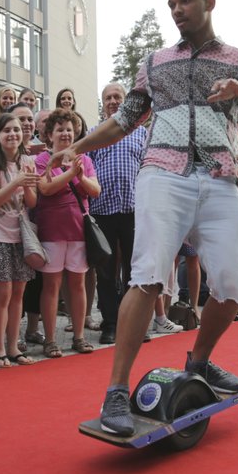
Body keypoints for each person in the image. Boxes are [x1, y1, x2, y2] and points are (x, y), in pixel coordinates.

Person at [47, 0, 238, 436]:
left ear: (210, 2)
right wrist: (78, 147)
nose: (177, 9)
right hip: (162, 175)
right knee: (148, 275)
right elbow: (123, 121)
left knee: (233, 285)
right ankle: (116, 390)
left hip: (218, 179)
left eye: (187, 0)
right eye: (172, 2)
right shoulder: (154, 63)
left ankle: (200, 363)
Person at [34, 108, 100, 357]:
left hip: (78, 230)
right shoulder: (42, 160)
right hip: (52, 230)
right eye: (59, 129)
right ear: (49, 135)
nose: (65, 133)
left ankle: (79, 336)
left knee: (78, 284)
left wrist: (80, 176)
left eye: (69, 130)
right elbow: (46, 189)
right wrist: (72, 174)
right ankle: (50, 340)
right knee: (51, 286)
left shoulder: (85, 159)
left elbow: (95, 190)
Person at [0, 113, 38, 366]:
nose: (13, 134)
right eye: (7, 131)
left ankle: (14, 347)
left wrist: (26, 185)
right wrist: (18, 183)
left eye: (16, 129)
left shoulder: (27, 160)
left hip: (21, 235)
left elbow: (33, 202)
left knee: (18, 295)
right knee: (2, 295)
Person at [87, 82, 145, 345]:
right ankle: (110, 323)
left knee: (135, 271)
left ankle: (134, 325)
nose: (113, 101)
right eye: (108, 98)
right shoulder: (94, 134)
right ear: (103, 103)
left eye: (117, 97)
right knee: (107, 272)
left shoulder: (141, 133)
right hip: (103, 212)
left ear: (125, 102)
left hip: (135, 210)